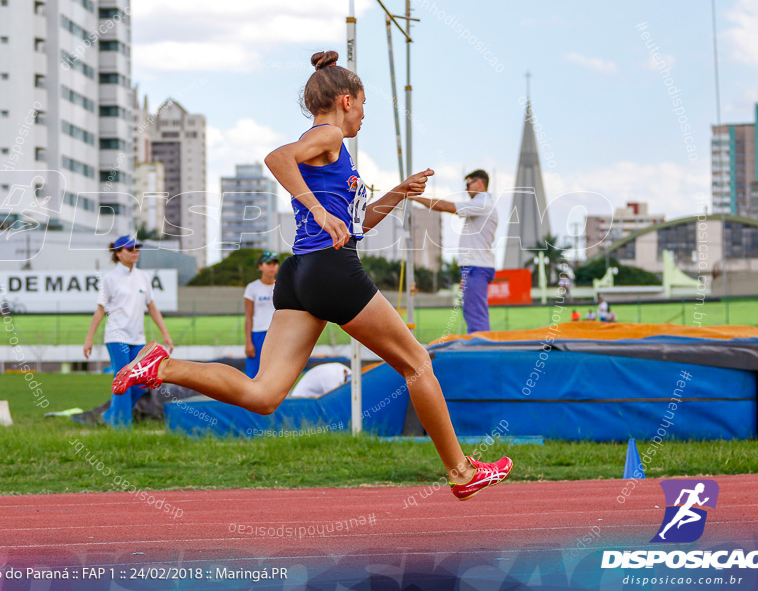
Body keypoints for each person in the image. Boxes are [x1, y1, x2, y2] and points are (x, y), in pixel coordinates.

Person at [112, 50, 512, 500]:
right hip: (329, 270)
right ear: (346, 100)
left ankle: (160, 365)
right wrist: (320, 211)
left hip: (300, 274)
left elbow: (358, 225)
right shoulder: (327, 134)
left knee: (263, 395)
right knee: (417, 363)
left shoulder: (332, 149)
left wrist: (399, 193)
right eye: (362, 105)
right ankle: (461, 472)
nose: (363, 116)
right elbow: (277, 157)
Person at [83, 235, 174, 426]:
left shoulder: (144, 277)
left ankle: (109, 416)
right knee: (123, 379)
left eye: (137, 247)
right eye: (130, 248)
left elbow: (152, 306)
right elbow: (100, 309)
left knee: (141, 383)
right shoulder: (109, 278)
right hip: (116, 338)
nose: (135, 251)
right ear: (118, 253)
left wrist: (165, 333)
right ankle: (122, 428)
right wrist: (89, 338)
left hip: (138, 338)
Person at [412, 170, 498, 334]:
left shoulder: (483, 203)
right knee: (473, 313)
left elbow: (445, 206)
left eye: (468, 183)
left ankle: (481, 350)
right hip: (475, 267)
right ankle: (480, 347)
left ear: (480, 182)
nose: (466, 189)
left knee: (476, 317)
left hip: (477, 267)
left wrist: (412, 197)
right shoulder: (483, 204)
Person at [243, 252, 279, 378]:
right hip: (258, 334)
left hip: (277, 334)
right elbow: (248, 316)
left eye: (274, 264)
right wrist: (248, 341)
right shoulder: (252, 288)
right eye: (268, 263)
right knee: (253, 374)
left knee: (276, 371)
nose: (272, 266)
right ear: (260, 266)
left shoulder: (282, 286)